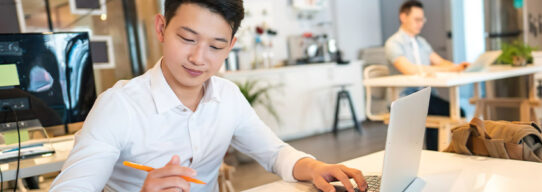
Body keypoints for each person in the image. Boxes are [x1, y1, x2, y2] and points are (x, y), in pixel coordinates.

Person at [49, 0, 366, 192]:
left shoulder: (227, 96)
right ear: (161, 29)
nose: (199, 58)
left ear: (231, 46)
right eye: (187, 38)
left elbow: (274, 153)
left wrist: (313, 167)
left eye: (216, 46)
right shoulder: (119, 107)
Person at [384, 0, 468, 151]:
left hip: (426, 95)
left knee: (457, 112)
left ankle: (438, 153)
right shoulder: (393, 44)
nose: (421, 23)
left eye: (422, 19)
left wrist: (458, 67)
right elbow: (409, 69)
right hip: (406, 98)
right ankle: (435, 153)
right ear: (403, 17)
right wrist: (445, 70)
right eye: (417, 19)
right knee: (446, 112)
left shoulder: (422, 42)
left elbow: (439, 62)